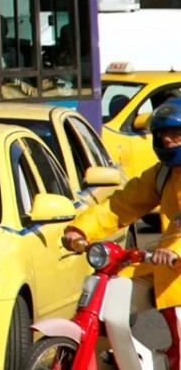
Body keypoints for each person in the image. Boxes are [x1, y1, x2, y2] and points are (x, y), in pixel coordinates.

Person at [61, 99, 181, 369]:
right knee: (105, 301)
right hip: (165, 267)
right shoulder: (162, 174)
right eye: (163, 136)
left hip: (172, 262)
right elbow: (120, 205)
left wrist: (174, 251)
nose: (169, 142)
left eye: (177, 135)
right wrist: (80, 229)